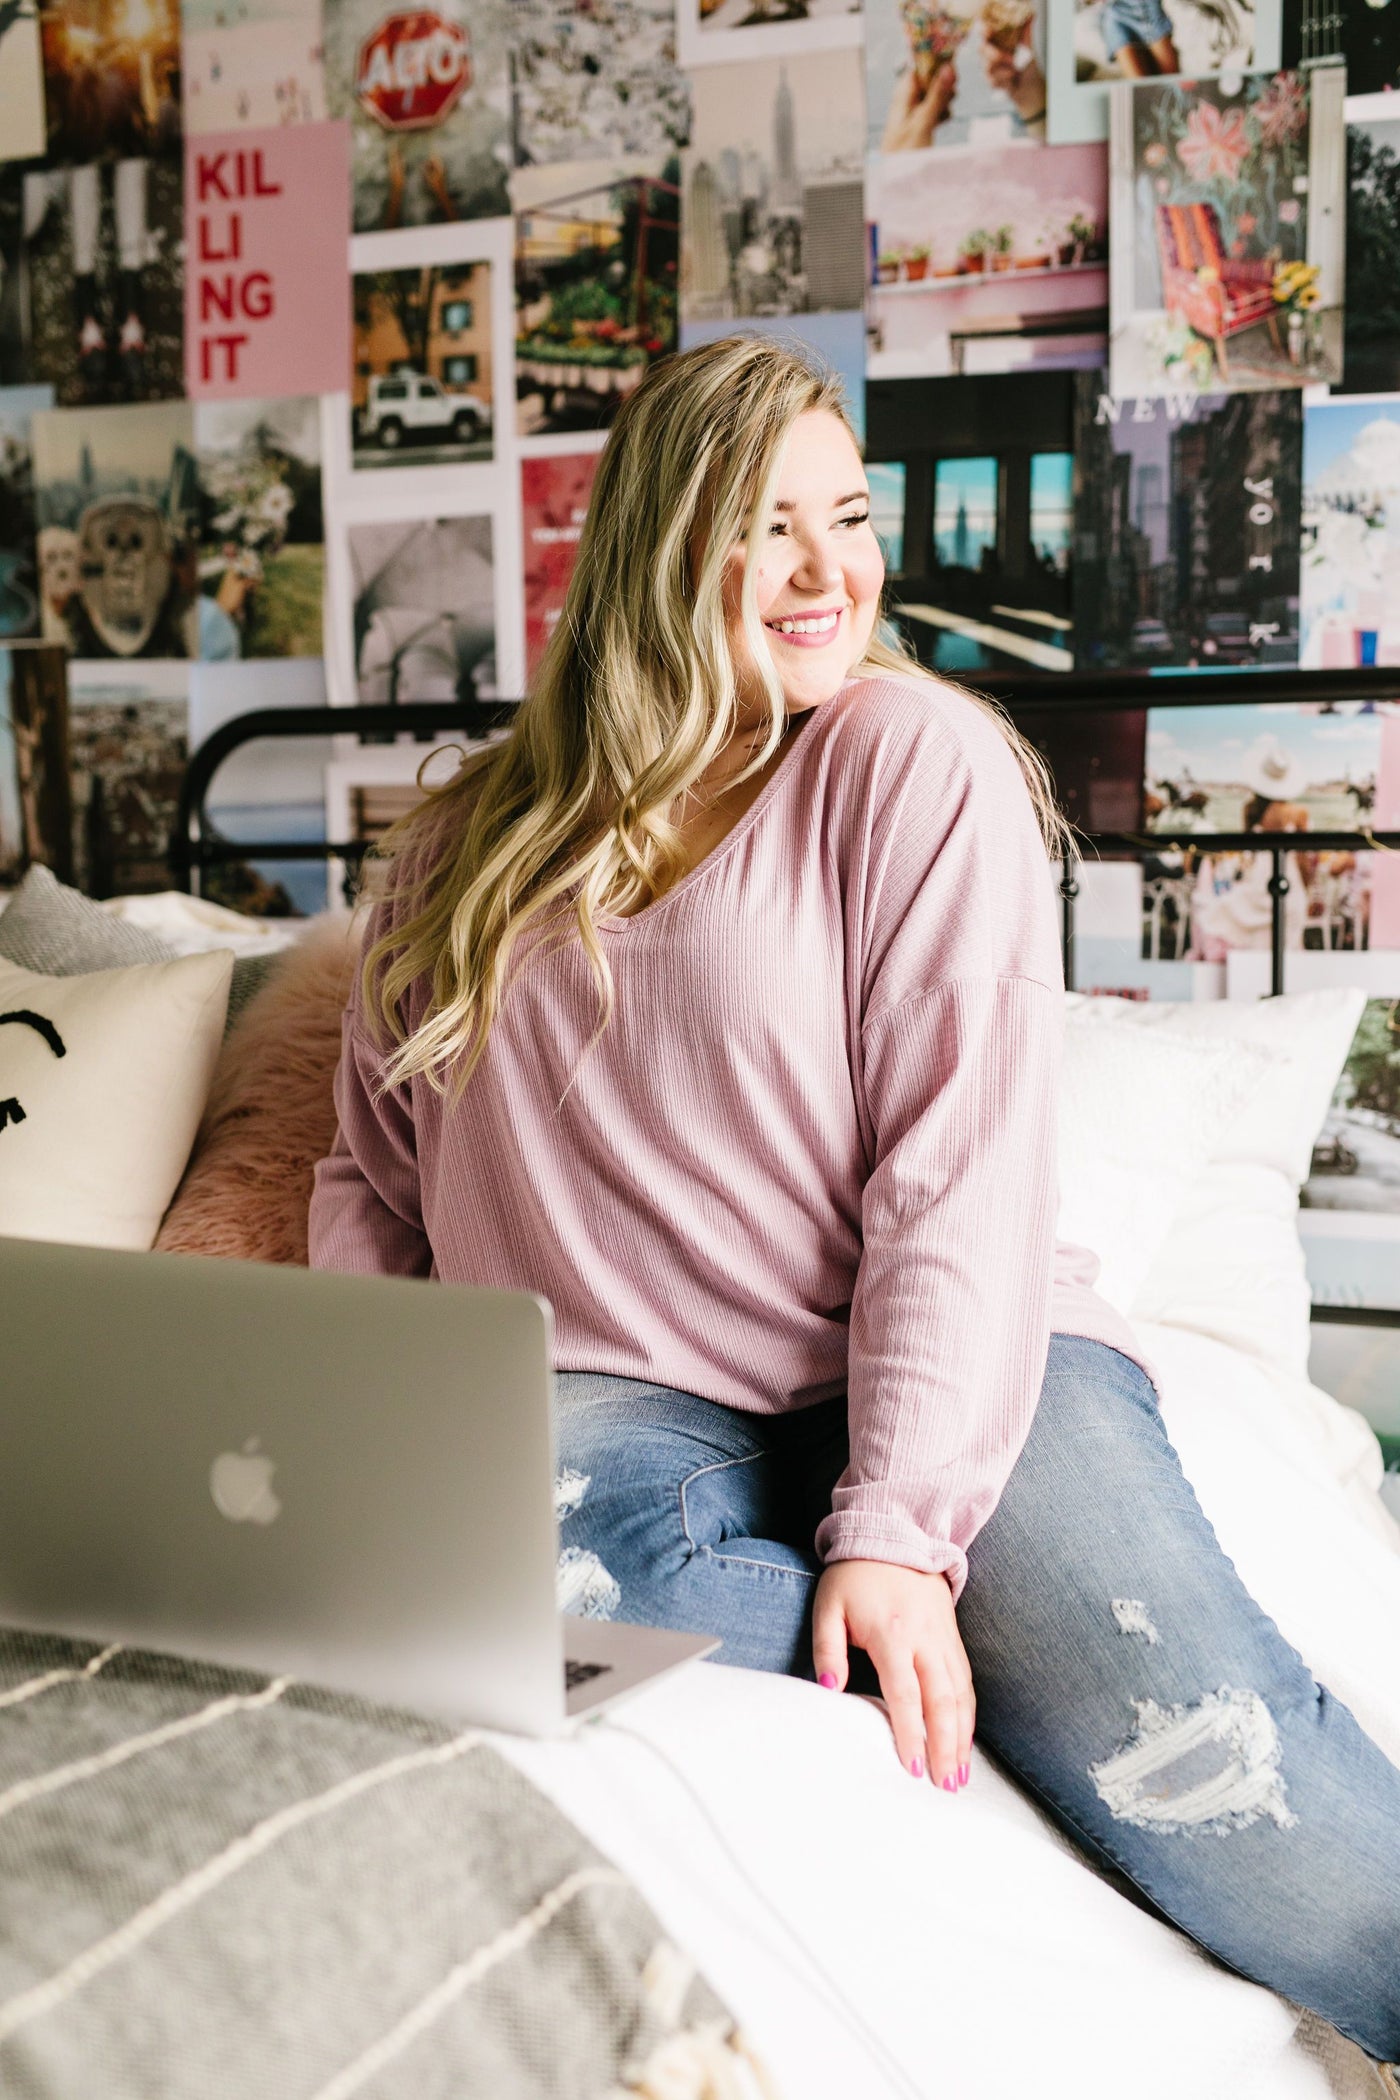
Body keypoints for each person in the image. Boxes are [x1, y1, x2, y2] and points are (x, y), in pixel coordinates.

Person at [308, 335, 1400, 2077]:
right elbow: (374, 1170)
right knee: (474, 1603)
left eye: (851, 518)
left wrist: (897, 1524)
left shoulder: (909, 760)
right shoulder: (468, 842)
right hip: (626, 1402)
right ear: (665, 549)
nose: (834, 574)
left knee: (1207, 1753)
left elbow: (958, 1162)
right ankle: (903, 1629)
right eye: (772, 528)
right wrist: (364, 1427)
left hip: (960, 1365)